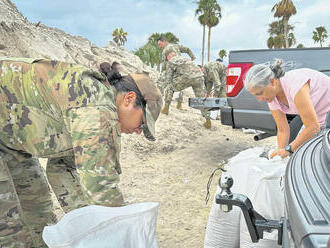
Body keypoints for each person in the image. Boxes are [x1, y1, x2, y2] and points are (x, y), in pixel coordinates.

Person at [0, 58, 163, 247]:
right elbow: (102, 190)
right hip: (8, 133)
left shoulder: (91, 109)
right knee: (9, 230)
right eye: (142, 123)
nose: (137, 131)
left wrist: (87, 225)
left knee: (39, 213)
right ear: (129, 99)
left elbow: (61, 168)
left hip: (11, 139)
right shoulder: (97, 108)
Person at [244, 59, 330, 159]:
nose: (259, 99)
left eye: (260, 93)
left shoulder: (295, 85)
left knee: (320, 153)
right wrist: (281, 154)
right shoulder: (272, 97)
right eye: (256, 95)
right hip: (320, 114)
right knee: (295, 147)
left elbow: (313, 127)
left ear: (272, 81)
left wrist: (288, 149)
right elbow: (282, 130)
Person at [162, 51, 212, 129]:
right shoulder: (185, 58)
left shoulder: (171, 61)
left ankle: (166, 108)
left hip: (187, 77)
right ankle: (208, 120)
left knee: (170, 87)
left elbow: (169, 77)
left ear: (169, 56)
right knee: (202, 99)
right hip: (199, 76)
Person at [157, 36, 196, 110]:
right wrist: (192, 57)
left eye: (160, 44)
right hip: (181, 69)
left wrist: (162, 73)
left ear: (164, 41)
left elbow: (164, 65)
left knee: (165, 84)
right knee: (179, 86)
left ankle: (160, 102)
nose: (160, 46)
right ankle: (179, 104)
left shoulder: (165, 50)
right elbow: (187, 49)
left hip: (172, 69)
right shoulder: (176, 46)